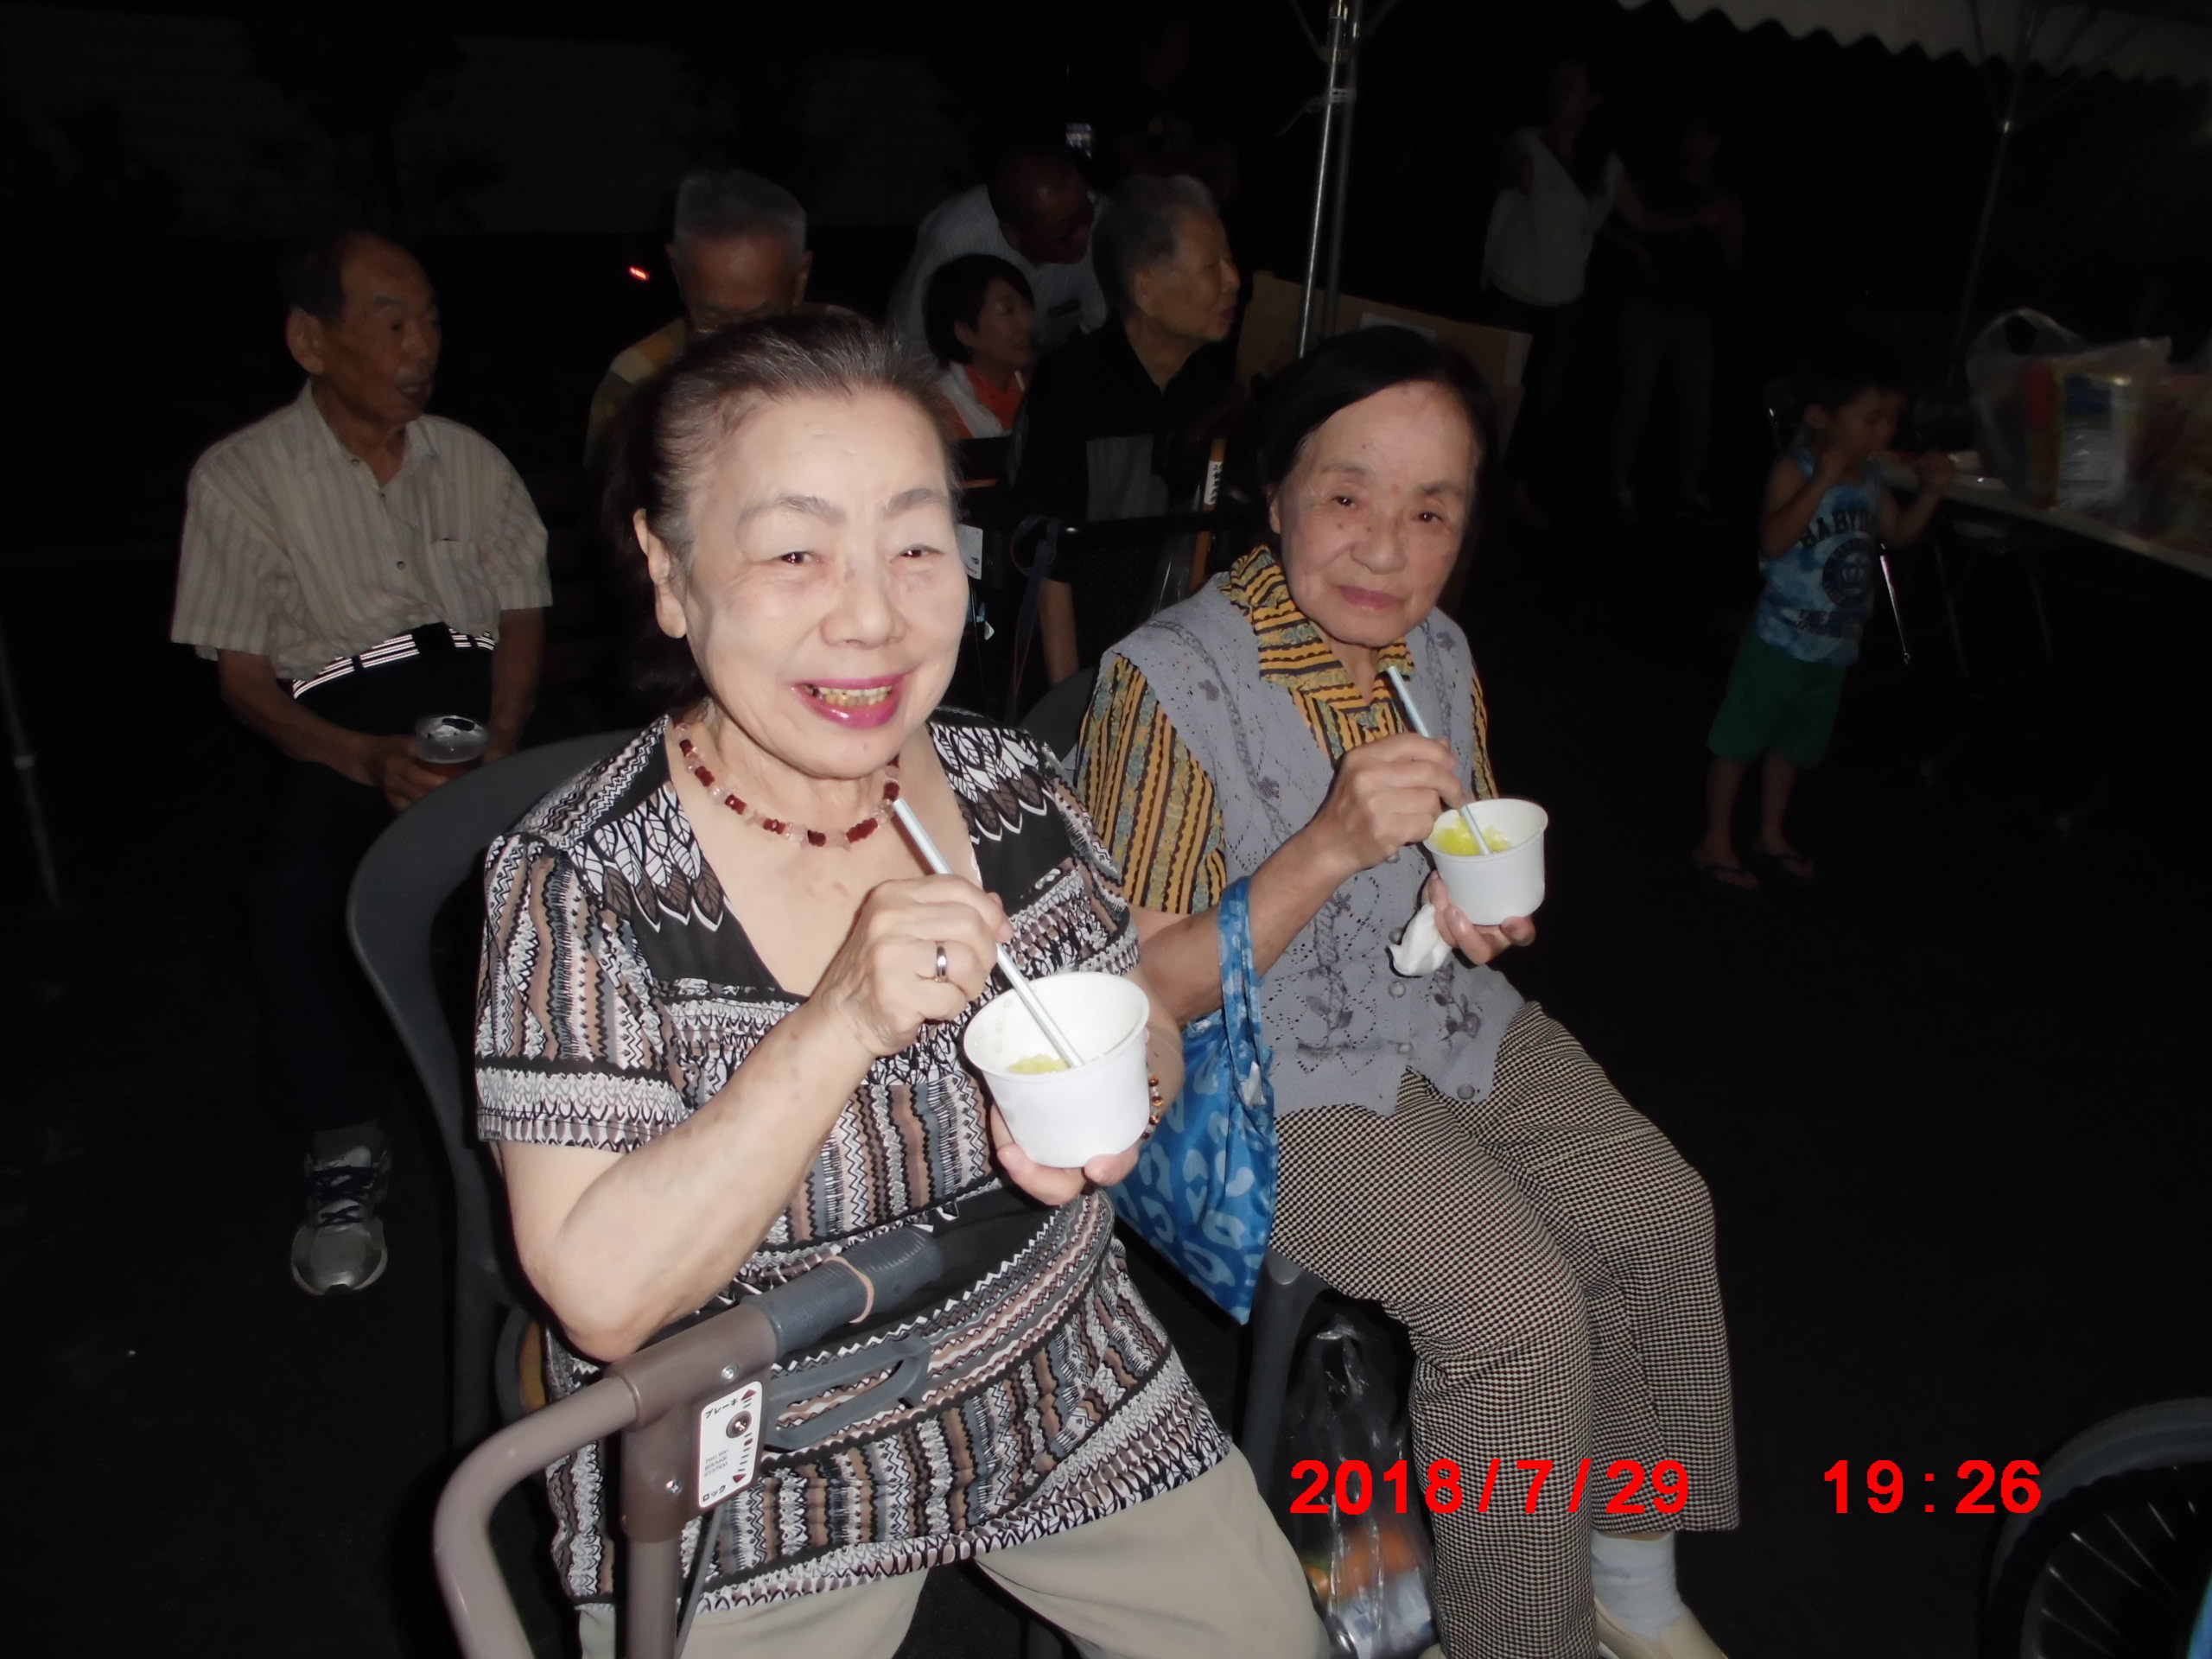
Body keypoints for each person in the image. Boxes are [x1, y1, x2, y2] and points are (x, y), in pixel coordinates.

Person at [474, 314, 1330, 1659]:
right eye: (795, 552)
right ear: (670, 574)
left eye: (916, 547)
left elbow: (1143, 1026)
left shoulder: (1012, 785)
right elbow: (601, 1292)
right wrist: (839, 1022)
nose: (872, 616)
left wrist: (1123, 1099)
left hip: (1058, 1372)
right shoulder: (580, 882)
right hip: (762, 1461)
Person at [1074, 327, 1740, 1659]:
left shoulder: (1435, 650)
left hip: (1437, 1024)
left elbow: (1457, 840)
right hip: (1255, 1076)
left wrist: (1460, 905)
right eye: (1348, 496)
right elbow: (1135, 990)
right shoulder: (1162, 681)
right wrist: (1323, 848)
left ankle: (1632, 1577)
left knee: (1660, 1214)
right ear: (1276, 495)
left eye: (1431, 511)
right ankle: (1523, 1638)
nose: (1387, 548)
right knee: (1518, 1310)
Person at [173, 230, 550, 1295]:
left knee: (564, 872)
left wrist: (504, 743)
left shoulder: (469, 459)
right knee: (297, 892)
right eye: (390, 323)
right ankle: (341, 1142)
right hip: (341, 724)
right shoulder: (242, 477)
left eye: (428, 320)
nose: (419, 346)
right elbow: (243, 679)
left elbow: (522, 616)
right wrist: (363, 757)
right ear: (311, 340)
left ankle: (566, 1131)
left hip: (476, 710)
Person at [1694, 346, 1953, 892]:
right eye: (1872, 418)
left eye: (1893, 419)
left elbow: (1898, 534)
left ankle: (1771, 833)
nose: (1886, 431)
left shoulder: (1872, 475)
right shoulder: (1795, 470)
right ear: (1820, 417)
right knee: (1738, 742)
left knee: (1793, 746)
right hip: (1778, 641)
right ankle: (1716, 839)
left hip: (1834, 647)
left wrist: (1931, 492)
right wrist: (1821, 482)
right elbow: (1771, 542)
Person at [1010, 172, 1240, 685]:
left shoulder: (1214, 387)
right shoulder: (1073, 386)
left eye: (1230, 261)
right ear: (1146, 289)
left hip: (1176, 663)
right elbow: (1048, 561)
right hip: (1082, 667)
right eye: (1212, 266)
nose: (1233, 280)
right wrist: (1070, 702)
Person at [1482, 60, 1687, 530]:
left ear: (1593, 100)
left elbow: (1636, 218)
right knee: (1490, 393)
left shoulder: (1604, 164)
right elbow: (1504, 174)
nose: (1559, 93)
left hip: (1564, 299)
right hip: (1514, 289)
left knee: (1542, 403)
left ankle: (1519, 492)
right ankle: (1476, 489)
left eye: (1572, 86)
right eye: (1557, 83)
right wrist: (1510, 171)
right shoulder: (1527, 141)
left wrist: (1694, 220)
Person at [584, 168, 815, 468]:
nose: (737, 342)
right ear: (677, 272)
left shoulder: (853, 357)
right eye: (713, 318)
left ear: (800, 280)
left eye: (761, 318)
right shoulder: (637, 378)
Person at [1606, 113, 1744, 521]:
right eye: (1693, 134)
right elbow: (1612, 220)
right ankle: (1618, 480)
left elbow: (1734, 262)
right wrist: (1637, 251)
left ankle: (1690, 488)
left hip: (1696, 313)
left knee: (1696, 406)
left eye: (1708, 136)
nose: (1700, 144)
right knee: (1635, 399)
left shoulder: (1724, 194)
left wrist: (1732, 227)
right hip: (1648, 305)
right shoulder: (1657, 182)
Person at [887, 140, 1103, 359]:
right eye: (1062, 233)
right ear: (1013, 236)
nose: (1083, 234)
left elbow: (1103, 331)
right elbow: (906, 341)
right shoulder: (953, 239)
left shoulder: (1104, 223)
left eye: (1086, 215)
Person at [921, 252, 1035, 440]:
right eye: (1008, 311)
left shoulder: (1040, 390)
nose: (1027, 322)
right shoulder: (940, 412)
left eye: (1026, 306)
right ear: (964, 331)